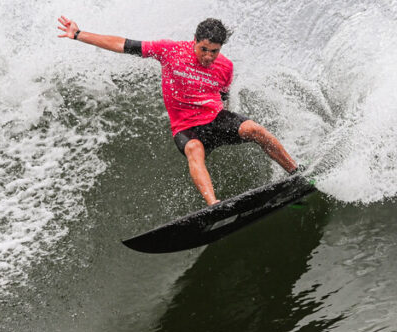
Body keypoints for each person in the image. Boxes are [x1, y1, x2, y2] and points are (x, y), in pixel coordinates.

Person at [56, 15, 300, 205]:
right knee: (195, 149)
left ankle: (295, 173)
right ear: (195, 40)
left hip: (215, 118)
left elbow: (223, 97)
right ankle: (214, 205)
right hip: (186, 128)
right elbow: (123, 44)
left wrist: (232, 127)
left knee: (254, 129)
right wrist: (78, 34)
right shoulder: (169, 51)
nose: (208, 56)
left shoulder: (225, 67)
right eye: (203, 49)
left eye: (214, 51)